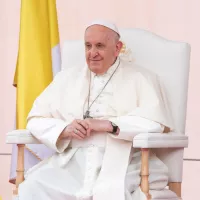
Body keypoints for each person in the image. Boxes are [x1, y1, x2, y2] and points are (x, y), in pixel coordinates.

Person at [18, 20, 173, 200]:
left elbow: (155, 122)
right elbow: (35, 119)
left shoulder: (140, 78)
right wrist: (64, 129)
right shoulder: (66, 78)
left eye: (100, 46)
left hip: (125, 159)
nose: (92, 53)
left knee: (110, 192)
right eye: (88, 46)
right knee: (31, 187)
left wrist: (109, 125)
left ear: (117, 48)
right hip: (73, 161)